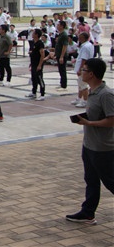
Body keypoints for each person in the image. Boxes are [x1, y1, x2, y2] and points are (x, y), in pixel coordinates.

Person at [66, 58, 114, 225]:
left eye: (84, 70)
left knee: (110, 181)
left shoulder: (106, 95)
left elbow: (112, 120)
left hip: (102, 148)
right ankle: (87, 213)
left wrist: (89, 123)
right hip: (89, 145)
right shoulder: (92, 92)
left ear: (92, 74)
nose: (81, 72)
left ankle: (87, 212)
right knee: (91, 180)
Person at [72, 32, 94, 108]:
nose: (78, 38)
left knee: (83, 85)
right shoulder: (88, 45)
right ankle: (79, 98)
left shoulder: (85, 47)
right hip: (83, 67)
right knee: (80, 84)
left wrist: (80, 69)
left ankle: (85, 101)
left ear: (84, 38)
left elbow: (84, 59)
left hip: (83, 68)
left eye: (80, 37)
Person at [26, 29, 46, 101]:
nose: (32, 34)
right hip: (33, 63)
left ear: (37, 35)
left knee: (39, 79)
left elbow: (42, 54)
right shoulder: (33, 42)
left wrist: (40, 65)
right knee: (34, 78)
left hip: (38, 64)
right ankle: (34, 92)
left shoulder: (40, 43)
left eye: (33, 33)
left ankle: (42, 94)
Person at [54, 20, 69, 91]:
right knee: (60, 70)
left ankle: (64, 85)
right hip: (58, 54)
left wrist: (61, 56)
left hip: (62, 55)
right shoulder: (60, 34)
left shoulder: (64, 35)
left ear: (62, 26)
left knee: (62, 70)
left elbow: (65, 46)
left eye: (58, 25)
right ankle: (61, 83)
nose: (57, 26)